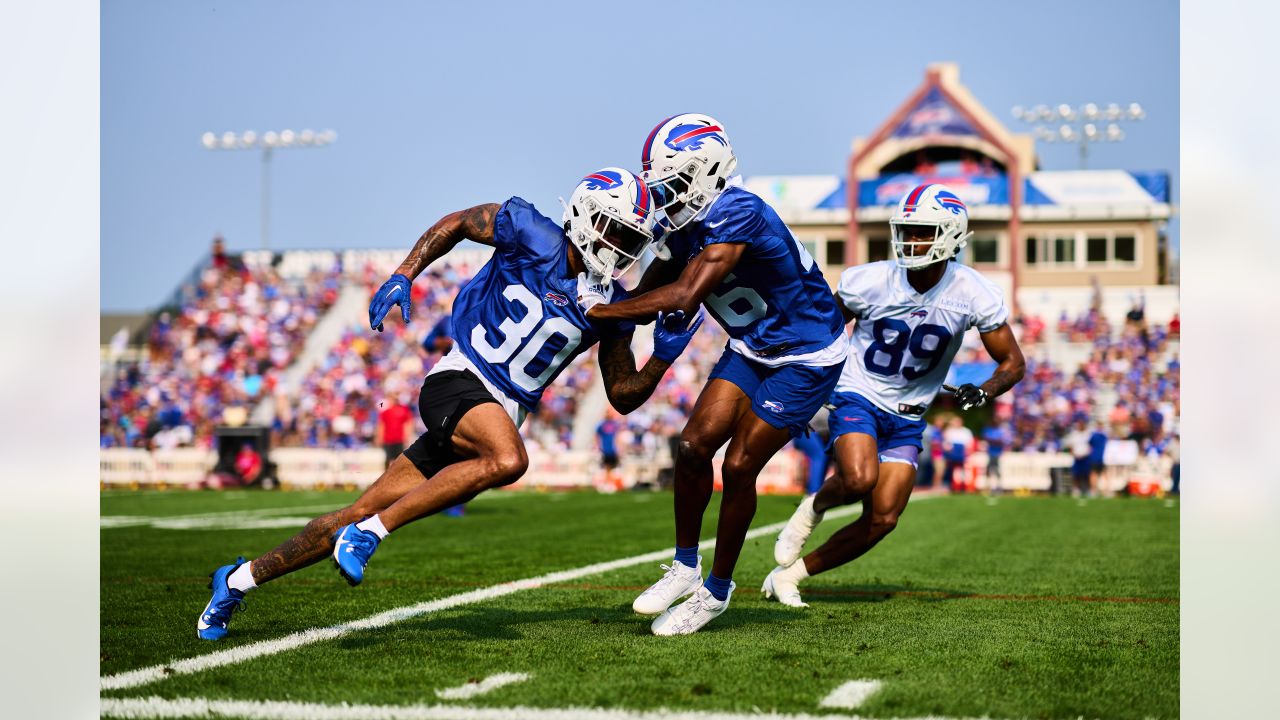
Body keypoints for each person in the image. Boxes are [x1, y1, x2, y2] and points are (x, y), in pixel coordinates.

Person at [196, 168, 704, 640]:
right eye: (613, 230)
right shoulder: (532, 232)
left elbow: (622, 396)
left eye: (630, 239)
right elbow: (459, 222)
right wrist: (404, 272)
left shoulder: (612, 304)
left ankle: (238, 579)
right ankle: (371, 535)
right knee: (509, 460)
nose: (619, 246)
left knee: (355, 510)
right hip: (460, 381)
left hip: (490, 415)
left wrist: (661, 358)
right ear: (585, 216)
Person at [583, 114, 846, 635]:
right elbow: (648, 287)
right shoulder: (682, 220)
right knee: (692, 445)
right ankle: (684, 566)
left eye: (677, 184)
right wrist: (613, 303)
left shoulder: (738, 210)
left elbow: (683, 294)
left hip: (807, 353)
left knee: (741, 464)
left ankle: (717, 592)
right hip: (753, 344)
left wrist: (599, 312)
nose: (668, 197)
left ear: (710, 171)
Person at [761, 183, 1025, 608]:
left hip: (909, 412)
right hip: (858, 391)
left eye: (924, 231)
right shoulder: (869, 280)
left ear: (952, 236)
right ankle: (812, 508)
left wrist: (985, 389)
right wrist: (808, 392)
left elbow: (1013, 362)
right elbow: (822, 333)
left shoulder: (974, 292)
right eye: (908, 230)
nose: (913, 240)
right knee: (859, 479)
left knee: (884, 517)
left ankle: (791, 575)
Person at [374, 394, 415, 470]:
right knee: (388, 458)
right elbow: (381, 425)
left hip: (399, 440)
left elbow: (408, 424)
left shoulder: (404, 410)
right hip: (388, 440)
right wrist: (379, 437)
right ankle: (387, 475)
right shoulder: (385, 412)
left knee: (398, 459)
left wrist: (407, 436)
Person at [942, 416, 973, 491]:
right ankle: (951, 485)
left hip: (961, 451)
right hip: (952, 452)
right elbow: (945, 442)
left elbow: (969, 443)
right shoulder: (949, 431)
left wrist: (967, 452)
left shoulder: (966, 431)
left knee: (962, 469)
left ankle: (962, 486)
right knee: (951, 469)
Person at [980, 421, 1010, 494]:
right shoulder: (989, 430)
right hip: (990, 453)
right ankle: (988, 486)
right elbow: (987, 438)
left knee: (996, 470)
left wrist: (994, 440)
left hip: (997, 453)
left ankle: (998, 487)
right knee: (989, 470)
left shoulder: (1000, 431)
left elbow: (1001, 441)